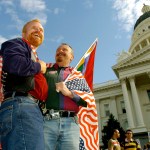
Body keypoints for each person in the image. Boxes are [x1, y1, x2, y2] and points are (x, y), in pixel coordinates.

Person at [0, 19, 48, 150]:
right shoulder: (17, 43)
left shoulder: (32, 55)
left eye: (42, 30)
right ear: (23, 33)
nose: (39, 31)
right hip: (21, 106)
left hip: (27, 109)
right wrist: (39, 66)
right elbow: (14, 64)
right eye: (34, 28)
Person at [43, 43, 89, 150]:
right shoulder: (46, 70)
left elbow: (86, 101)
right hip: (47, 122)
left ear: (72, 57)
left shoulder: (77, 75)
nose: (60, 51)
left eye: (64, 50)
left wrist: (69, 93)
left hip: (71, 125)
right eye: (58, 50)